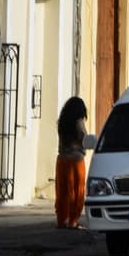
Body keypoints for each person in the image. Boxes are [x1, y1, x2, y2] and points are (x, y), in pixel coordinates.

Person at [55, 96, 88, 230]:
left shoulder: (62, 122)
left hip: (62, 159)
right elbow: (84, 137)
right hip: (76, 160)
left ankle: (62, 220)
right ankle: (73, 221)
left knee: (62, 191)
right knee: (77, 190)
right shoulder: (78, 122)